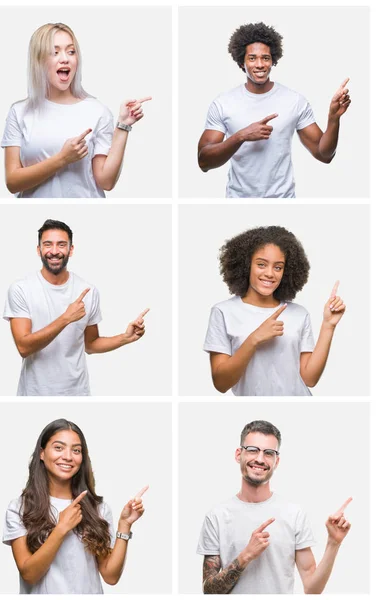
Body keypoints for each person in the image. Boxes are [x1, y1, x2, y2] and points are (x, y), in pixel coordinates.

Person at [197, 22, 351, 198]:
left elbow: (324, 155)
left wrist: (333, 119)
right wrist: (241, 136)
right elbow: (204, 161)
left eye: (266, 58)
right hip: (238, 201)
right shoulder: (223, 103)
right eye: (252, 58)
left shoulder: (294, 101)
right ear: (242, 62)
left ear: (273, 60)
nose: (260, 64)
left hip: (283, 199)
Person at [198, 420, 352, 594]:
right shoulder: (216, 516)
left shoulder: (293, 514)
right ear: (238, 454)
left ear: (276, 461)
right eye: (252, 450)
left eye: (268, 453)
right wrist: (245, 556)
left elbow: (312, 589)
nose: (260, 459)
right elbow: (209, 591)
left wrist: (333, 543)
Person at [1, 22, 151, 198]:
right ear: (39, 59)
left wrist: (123, 126)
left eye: (71, 51)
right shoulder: (19, 112)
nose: (65, 58)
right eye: (55, 52)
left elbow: (106, 181)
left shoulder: (97, 111)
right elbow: (12, 182)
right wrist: (63, 158)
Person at [3, 219, 149, 395]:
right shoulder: (21, 289)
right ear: (38, 249)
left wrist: (125, 338)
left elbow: (91, 344)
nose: (54, 251)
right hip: (35, 393)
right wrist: (66, 318)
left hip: (77, 393)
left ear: (71, 250)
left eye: (62, 245)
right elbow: (24, 347)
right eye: (48, 244)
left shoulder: (87, 291)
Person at [3, 418, 147, 594]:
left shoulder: (98, 509)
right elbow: (29, 574)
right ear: (42, 453)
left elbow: (110, 576)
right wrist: (61, 528)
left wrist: (125, 525)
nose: (68, 456)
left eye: (76, 450)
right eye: (58, 448)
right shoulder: (20, 508)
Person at [203, 226, 345, 396]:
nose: (270, 273)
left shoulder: (299, 314)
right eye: (261, 265)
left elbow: (309, 379)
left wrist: (328, 325)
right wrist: (254, 338)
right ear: (246, 265)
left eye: (278, 267)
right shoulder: (223, 312)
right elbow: (221, 383)